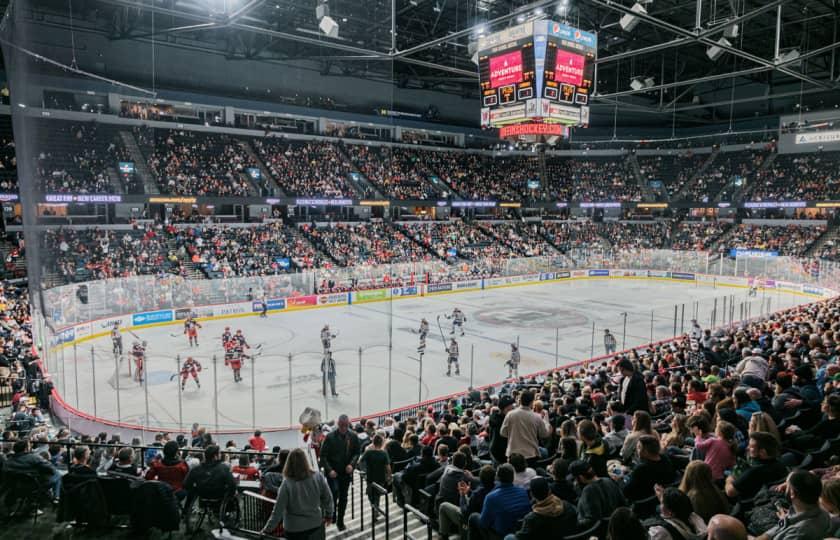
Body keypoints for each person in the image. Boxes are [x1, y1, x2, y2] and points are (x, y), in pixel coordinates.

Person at [260, 448, 333, 540]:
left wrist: (267, 530)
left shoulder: (286, 483)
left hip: (293, 528)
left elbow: (278, 511)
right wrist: (329, 515)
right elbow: (328, 498)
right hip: (315, 524)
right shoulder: (318, 477)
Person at [755, 470, 831, 540]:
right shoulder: (824, 513)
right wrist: (785, 520)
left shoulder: (796, 533)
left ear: (792, 493)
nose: (784, 487)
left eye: (787, 485)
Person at [319, 414, 360, 531]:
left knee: (343, 497)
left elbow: (357, 452)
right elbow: (323, 456)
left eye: (346, 425)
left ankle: (340, 521)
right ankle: (333, 515)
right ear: (338, 424)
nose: (343, 428)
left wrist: (352, 465)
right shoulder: (330, 437)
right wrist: (329, 470)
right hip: (333, 473)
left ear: (348, 424)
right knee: (333, 494)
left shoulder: (353, 436)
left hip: (345, 473)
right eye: (341, 425)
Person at [503, 476, 577, 540]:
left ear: (532, 495)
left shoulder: (531, 519)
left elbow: (520, 537)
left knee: (508, 537)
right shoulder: (566, 505)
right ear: (549, 491)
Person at [469, 464, 530, 540]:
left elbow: (483, 524)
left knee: (473, 516)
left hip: (500, 535)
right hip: (519, 532)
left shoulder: (491, 497)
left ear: (497, 477)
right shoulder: (523, 491)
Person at [724, 431, 788, 501]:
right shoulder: (781, 464)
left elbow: (730, 492)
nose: (747, 448)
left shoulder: (753, 472)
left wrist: (730, 478)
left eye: (751, 447)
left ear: (762, 452)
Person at [438, 465, 494, 539]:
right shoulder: (496, 488)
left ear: (481, 478)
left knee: (443, 506)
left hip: (468, 520)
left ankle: (443, 536)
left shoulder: (477, 493)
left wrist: (462, 495)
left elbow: (464, 511)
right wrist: (469, 492)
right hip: (487, 522)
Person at [570, 460, 627, 527]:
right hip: (618, 524)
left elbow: (592, 521)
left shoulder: (588, 491)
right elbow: (624, 503)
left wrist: (575, 523)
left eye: (575, 479)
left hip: (604, 530)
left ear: (581, 477)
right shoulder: (608, 480)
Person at [500, 389, 551, 465]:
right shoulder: (536, 417)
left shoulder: (510, 414)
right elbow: (544, 434)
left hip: (513, 454)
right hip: (530, 455)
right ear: (531, 402)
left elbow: (503, 433)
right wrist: (546, 421)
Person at [621, 435, 676, 502]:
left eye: (639, 447)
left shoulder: (641, 469)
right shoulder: (665, 459)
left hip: (643, 501)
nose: (636, 450)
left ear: (646, 451)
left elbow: (626, 492)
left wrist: (620, 480)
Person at [183, 445, 237, 512]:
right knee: (232, 491)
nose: (221, 455)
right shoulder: (223, 468)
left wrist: (195, 489)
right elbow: (232, 484)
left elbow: (186, 484)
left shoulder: (196, 469)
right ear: (215, 456)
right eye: (219, 453)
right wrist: (231, 493)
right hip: (219, 495)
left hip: (202, 494)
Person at [358, 434, 391, 509]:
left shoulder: (368, 452)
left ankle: (373, 506)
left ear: (373, 442)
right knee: (377, 493)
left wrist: (364, 471)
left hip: (370, 476)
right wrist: (389, 477)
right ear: (382, 443)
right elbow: (388, 467)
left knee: (370, 493)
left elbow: (360, 462)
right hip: (381, 477)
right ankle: (376, 506)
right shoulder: (384, 453)